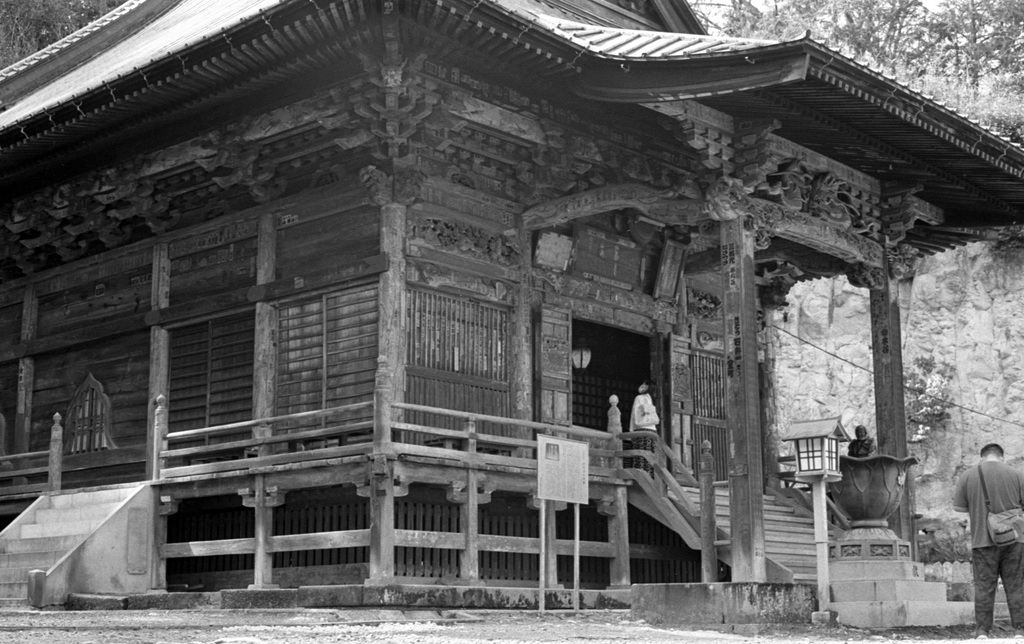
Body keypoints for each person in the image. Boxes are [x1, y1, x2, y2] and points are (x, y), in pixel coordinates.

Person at [953, 443, 1024, 639]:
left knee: (984, 586)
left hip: (982, 540)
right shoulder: (1017, 475)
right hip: (1015, 539)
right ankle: (1020, 630)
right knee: (1016, 584)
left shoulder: (967, 476)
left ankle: (982, 632)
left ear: (982, 456)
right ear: (1002, 456)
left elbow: (960, 508)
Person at [625, 379, 659, 475]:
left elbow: (634, 415)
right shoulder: (651, 400)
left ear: (646, 386)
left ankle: (641, 475)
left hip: (641, 430)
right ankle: (651, 476)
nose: (641, 385)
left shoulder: (639, 398)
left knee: (641, 454)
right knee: (650, 454)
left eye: (643, 383)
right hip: (652, 431)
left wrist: (631, 430)